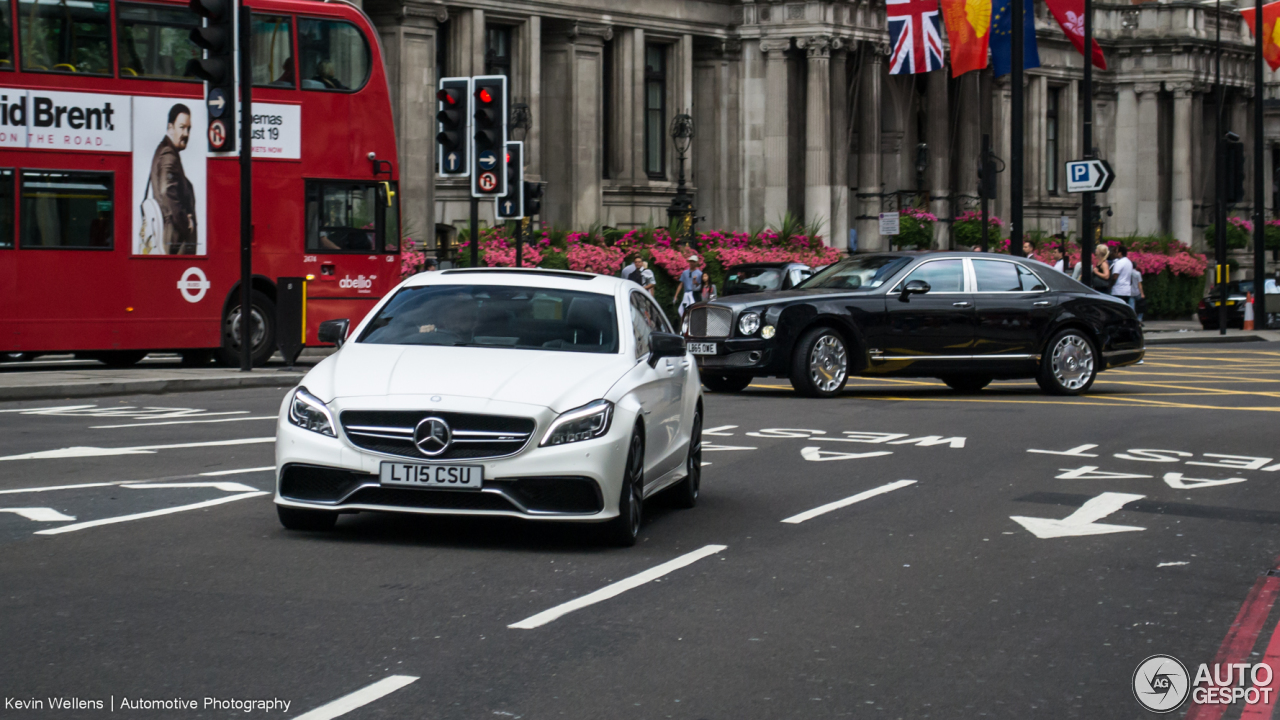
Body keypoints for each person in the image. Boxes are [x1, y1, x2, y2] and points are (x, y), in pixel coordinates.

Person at [150, 103, 198, 255]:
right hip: (176, 243)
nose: (186, 134)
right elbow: (167, 191)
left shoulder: (164, 151)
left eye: (188, 129)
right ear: (170, 127)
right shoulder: (168, 154)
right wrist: (186, 223)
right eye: (182, 127)